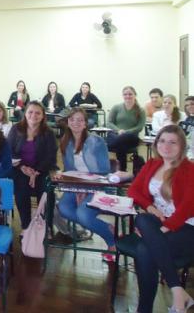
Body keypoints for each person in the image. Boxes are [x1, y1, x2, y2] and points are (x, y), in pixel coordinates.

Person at [127, 125, 194, 313]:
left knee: (144, 249)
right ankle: (179, 292)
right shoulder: (152, 164)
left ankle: (146, 308)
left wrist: (158, 232)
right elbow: (133, 190)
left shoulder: (190, 169)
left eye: (173, 142)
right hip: (160, 221)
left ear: (182, 146)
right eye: (162, 141)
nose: (166, 146)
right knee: (143, 220)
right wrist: (149, 208)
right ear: (156, 143)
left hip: (187, 226)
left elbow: (188, 208)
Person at [57, 108, 115, 259]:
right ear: (68, 122)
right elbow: (69, 170)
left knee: (83, 214)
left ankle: (111, 239)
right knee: (63, 208)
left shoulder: (96, 141)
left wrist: (85, 189)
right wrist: (64, 177)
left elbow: (104, 171)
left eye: (80, 120)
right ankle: (106, 228)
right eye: (72, 120)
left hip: (99, 186)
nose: (75, 123)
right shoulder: (66, 142)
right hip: (77, 185)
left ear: (85, 124)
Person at [7, 101, 58, 229]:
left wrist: (36, 172)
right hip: (21, 169)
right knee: (21, 190)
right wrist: (21, 167)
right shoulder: (16, 129)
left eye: (37, 113)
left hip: (42, 170)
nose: (33, 115)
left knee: (48, 193)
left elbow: (51, 156)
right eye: (30, 112)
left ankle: (46, 226)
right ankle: (26, 226)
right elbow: (9, 152)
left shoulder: (48, 133)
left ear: (42, 116)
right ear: (25, 114)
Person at [107, 86, 146, 172]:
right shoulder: (116, 107)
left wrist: (125, 132)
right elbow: (109, 123)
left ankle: (121, 169)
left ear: (135, 95)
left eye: (130, 94)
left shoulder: (141, 110)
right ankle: (122, 170)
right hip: (116, 135)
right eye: (125, 94)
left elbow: (140, 127)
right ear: (122, 96)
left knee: (121, 140)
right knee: (121, 143)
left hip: (132, 137)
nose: (127, 96)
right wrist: (118, 131)